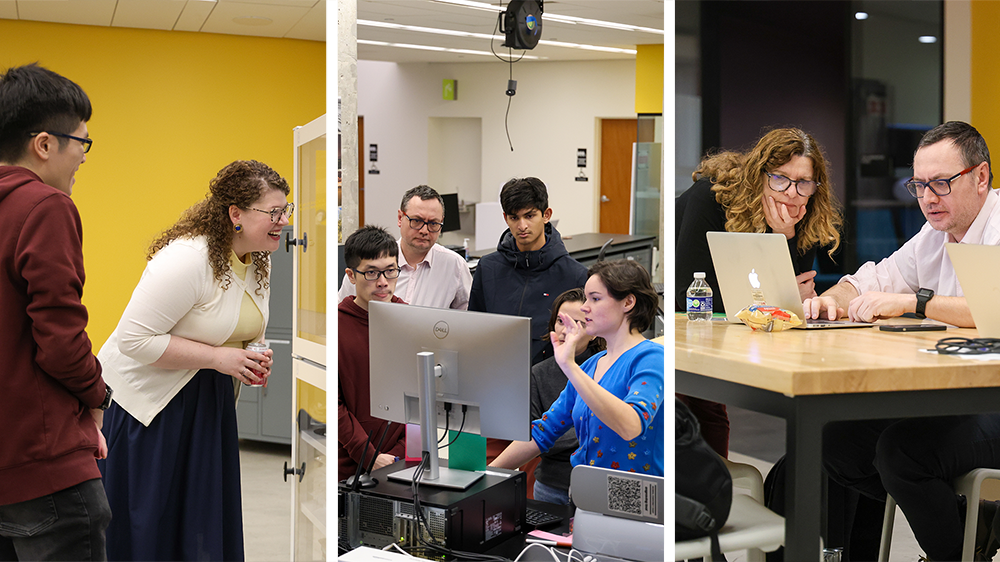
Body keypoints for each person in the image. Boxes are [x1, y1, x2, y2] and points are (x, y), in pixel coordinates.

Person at [804, 121, 1000, 562]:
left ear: (981, 177)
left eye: (942, 184)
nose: (928, 198)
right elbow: (872, 277)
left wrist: (914, 300)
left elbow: (989, 310)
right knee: (837, 443)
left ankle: (956, 548)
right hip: (952, 394)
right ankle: (969, 520)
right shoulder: (933, 235)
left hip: (995, 397)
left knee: (902, 453)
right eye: (919, 185)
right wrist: (832, 300)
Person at [96, 160, 289, 561]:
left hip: (206, 400)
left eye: (286, 210)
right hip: (152, 407)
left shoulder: (258, 258)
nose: (283, 220)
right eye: (273, 212)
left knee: (199, 520)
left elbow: (237, 320)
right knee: (150, 522)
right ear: (235, 214)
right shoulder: (187, 258)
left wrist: (253, 355)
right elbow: (134, 339)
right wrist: (220, 358)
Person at [675, 127, 844, 458]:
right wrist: (774, 297)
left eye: (804, 183)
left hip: (748, 334)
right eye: (780, 178)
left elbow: (792, 300)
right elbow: (688, 297)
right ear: (759, 175)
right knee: (701, 409)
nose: (792, 193)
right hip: (692, 328)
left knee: (712, 412)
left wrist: (784, 234)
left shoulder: (803, 216)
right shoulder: (709, 198)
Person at [0, 63, 112, 561]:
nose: (83, 160)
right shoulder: (45, 206)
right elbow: (63, 344)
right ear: (44, 144)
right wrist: (96, 397)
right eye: (81, 145)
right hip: (44, 465)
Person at [490, 260, 664, 478]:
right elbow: (544, 431)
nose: (584, 307)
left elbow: (631, 425)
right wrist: (486, 475)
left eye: (595, 299)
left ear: (628, 302)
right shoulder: (591, 365)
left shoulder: (651, 357)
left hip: (636, 499)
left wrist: (569, 366)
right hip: (586, 494)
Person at [469, 177, 588, 366]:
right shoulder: (488, 268)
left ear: (546, 215)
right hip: (496, 376)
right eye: (514, 217)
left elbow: (587, 343)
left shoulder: (575, 275)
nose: (522, 226)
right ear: (505, 217)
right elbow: (474, 331)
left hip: (552, 384)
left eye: (529, 216)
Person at [338, 225, 407, 482]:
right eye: (371, 273)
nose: (383, 281)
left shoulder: (412, 320)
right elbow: (334, 405)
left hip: (406, 462)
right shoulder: (336, 327)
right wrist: (369, 455)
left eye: (390, 270)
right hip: (350, 467)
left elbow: (425, 397)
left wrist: (400, 453)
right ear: (351, 275)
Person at [529, 288, 606, 505]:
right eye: (561, 321)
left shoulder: (605, 367)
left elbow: (610, 432)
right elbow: (533, 435)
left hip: (596, 485)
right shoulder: (538, 373)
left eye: (577, 323)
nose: (566, 331)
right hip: (550, 485)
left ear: (593, 330)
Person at [338, 185, 472, 309]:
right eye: (417, 221)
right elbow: (341, 312)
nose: (424, 230)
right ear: (400, 217)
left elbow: (468, 320)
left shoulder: (455, 266)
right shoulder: (369, 261)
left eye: (433, 223)